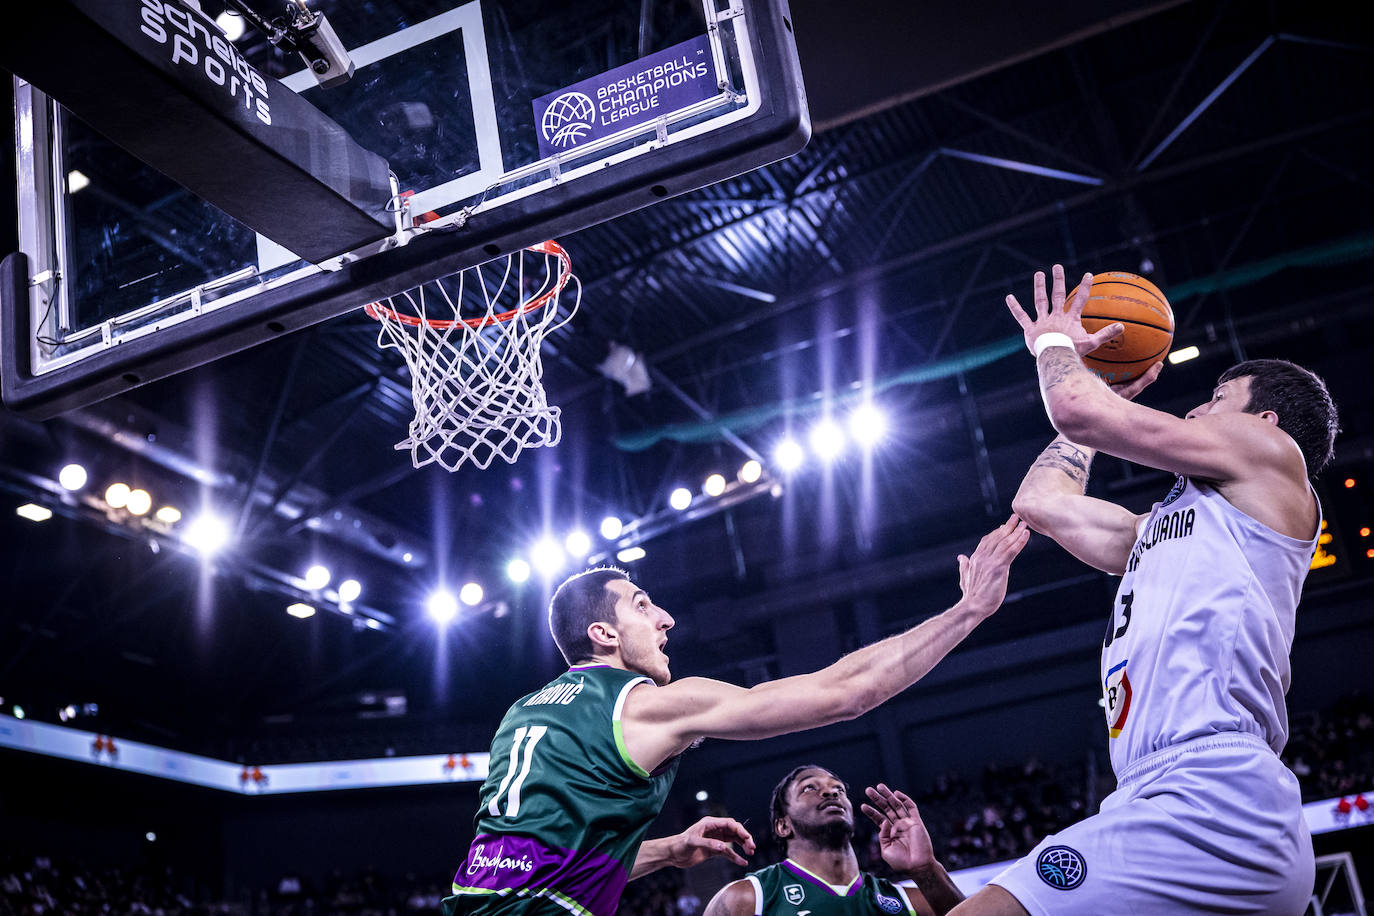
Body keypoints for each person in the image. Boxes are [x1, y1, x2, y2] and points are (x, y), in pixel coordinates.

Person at [946, 266, 1337, 916]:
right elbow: (1038, 502)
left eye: (1217, 396)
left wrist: (1058, 348)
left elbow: (1075, 406)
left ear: (1265, 420)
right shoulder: (1159, 531)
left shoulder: (1272, 456)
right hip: (1152, 791)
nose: (1196, 408)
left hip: (1214, 792)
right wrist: (1091, 398)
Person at [443, 517, 1030, 916]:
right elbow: (842, 693)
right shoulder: (645, 704)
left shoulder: (521, 716)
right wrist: (969, 611)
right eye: (643, 606)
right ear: (603, 634)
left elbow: (540, 858)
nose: (665, 618)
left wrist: (671, 850)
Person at [703, 765, 964, 916]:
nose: (830, 791)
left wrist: (925, 869)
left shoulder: (908, 901)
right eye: (809, 787)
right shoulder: (747, 898)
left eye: (838, 788)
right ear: (783, 825)